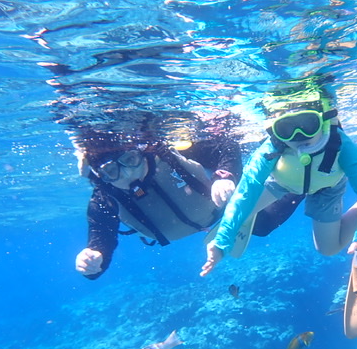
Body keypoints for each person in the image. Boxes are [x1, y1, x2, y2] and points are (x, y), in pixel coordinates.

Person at [200, 84, 357, 338]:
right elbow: (244, 194)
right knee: (244, 208)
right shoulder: (271, 148)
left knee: (328, 249)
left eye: (307, 124)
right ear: (275, 130)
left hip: (328, 187)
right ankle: (237, 224)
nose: (298, 137)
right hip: (283, 183)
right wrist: (222, 242)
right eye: (286, 128)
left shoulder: (343, 146)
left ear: (325, 119)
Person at [74, 112, 244, 280]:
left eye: (130, 160)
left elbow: (226, 145)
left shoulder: (169, 156)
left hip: (224, 211)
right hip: (210, 220)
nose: (128, 174)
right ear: (101, 176)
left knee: (264, 224)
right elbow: (101, 238)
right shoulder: (105, 197)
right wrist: (93, 258)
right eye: (111, 171)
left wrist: (225, 176)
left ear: (141, 152)